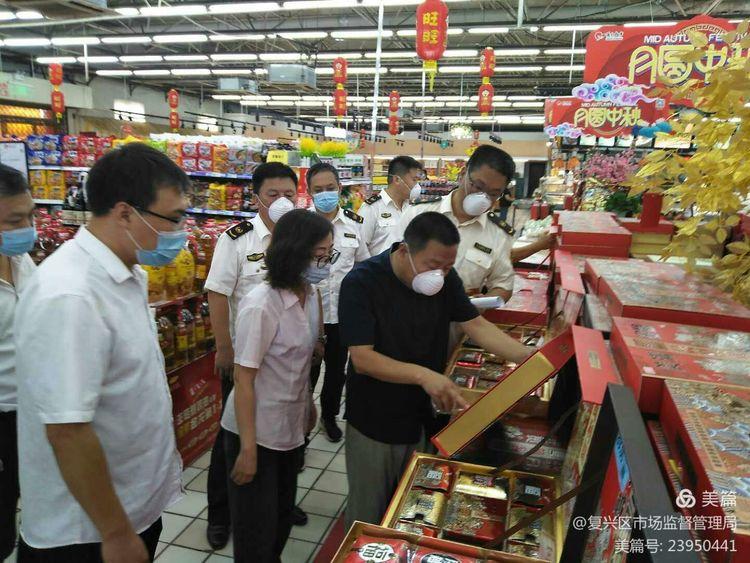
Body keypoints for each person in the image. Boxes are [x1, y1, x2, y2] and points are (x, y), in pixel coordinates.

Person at [14, 143, 186, 562]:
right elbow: (67, 430)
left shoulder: (127, 271)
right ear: (125, 213)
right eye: (174, 218)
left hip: (132, 507)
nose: (182, 230)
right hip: (86, 532)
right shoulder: (70, 294)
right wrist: (116, 532)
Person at [339, 212, 535, 528]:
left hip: (423, 417)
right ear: (404, 250)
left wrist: (531, 357)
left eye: (447, 266)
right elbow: (363, 358)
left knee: (412, 509)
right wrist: (424, 375)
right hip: (375, 421)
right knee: (369, 514)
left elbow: (475, 324)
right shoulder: (362, 283)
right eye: (433, 265)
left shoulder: (445, 279)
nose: (440, 274)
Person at [203, 162, 306, 548]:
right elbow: (217, 293)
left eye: (288, 195)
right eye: (272, 195)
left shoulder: (298, 236)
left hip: (283, 360)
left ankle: (280, 502)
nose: (281, 202)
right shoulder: (237, 239)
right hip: (245, 357)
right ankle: (220, 514)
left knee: (284, 428)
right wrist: (224, 348)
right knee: (230, 436)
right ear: (256, 197)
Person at [223, 209, 331, 563]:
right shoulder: (261, 305)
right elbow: (244, 379)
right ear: (293, 251)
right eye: (318, 254)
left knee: (281, 517)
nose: (324, 262)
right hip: (254, 430)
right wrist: (249, 449)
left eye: (328, 254)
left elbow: (299, 363)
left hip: (288, 425)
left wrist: (309, 405)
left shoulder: (311, 296)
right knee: (256, 528)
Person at [397, 145, 517, 300]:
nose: (483, 197)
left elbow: (503, 286)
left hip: (460, 318)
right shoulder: (418, 213)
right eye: (478, 186)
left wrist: (478, 306)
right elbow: (389, 262)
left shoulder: (499, 234)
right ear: (463, 174)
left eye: (493, 194)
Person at [306, 162, 369, 442]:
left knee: (335, 372)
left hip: (341, 315)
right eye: (318, 190)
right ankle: (300, 423)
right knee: (306, 372)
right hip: (305, 316)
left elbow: (362, 265)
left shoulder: (354, 225)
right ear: (309, 192)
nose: (325, 194)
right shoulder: (299, 226)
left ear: (339, 188)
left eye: (330, 188)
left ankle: (328, 417)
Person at [0, 164, 36, 561]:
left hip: (26, 413)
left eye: (30, 215)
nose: (28, 227)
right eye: (15, 220)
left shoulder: (22, 260)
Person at [359, 156, 424, 255]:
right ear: (397, 180)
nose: (417, 185)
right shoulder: (371, 208)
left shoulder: (412, 209)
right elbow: (360, 249)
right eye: (414, 180)